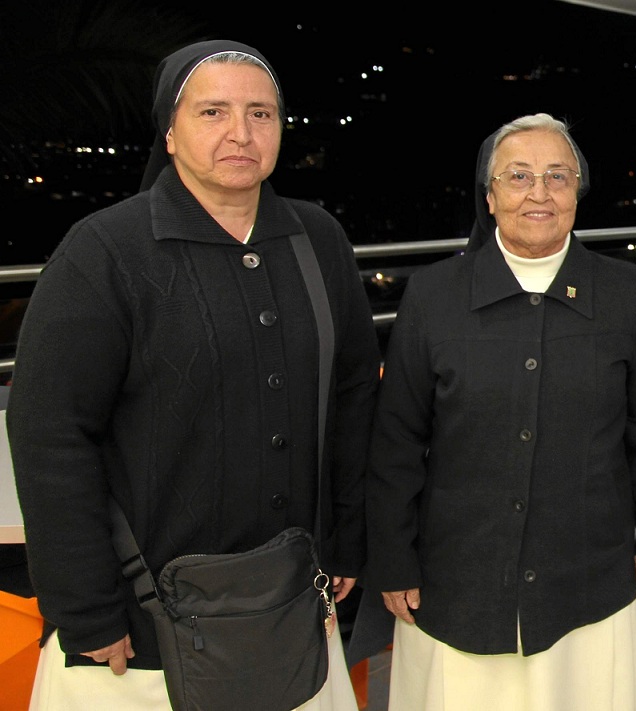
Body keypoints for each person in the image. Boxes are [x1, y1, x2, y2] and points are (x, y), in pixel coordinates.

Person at [8, 40, 378, 709]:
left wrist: (346, 543)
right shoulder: (105, 251)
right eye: (213, 111)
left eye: (260, 113)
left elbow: (352, 397)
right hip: (143, 633)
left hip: (293, 611)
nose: (241, 132)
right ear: (171, 133)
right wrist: (86, 606)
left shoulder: (318, 239)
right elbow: (50, 434)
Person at [363, 114, 636, 710]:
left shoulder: (625, 292)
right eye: (519, 176)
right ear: (490, 196)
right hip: (457, 577)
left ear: (577, 194)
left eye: (558, 176)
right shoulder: (433, 295)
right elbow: (397, 440)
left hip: (589, 574)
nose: (540, 192)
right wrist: (393, 559)